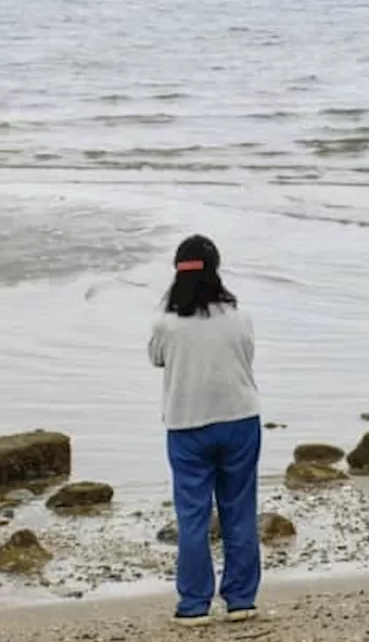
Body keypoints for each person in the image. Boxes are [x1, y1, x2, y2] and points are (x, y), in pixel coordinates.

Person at [148, 234, 261, 626]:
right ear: (215, 270)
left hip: (186, 424)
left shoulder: (166, 323)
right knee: (239, 510)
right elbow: (246, 355)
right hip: (240, 419)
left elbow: (156, 359)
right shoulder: (239, 316)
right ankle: (241, 599)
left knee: (193, 516)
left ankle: (194, 603)